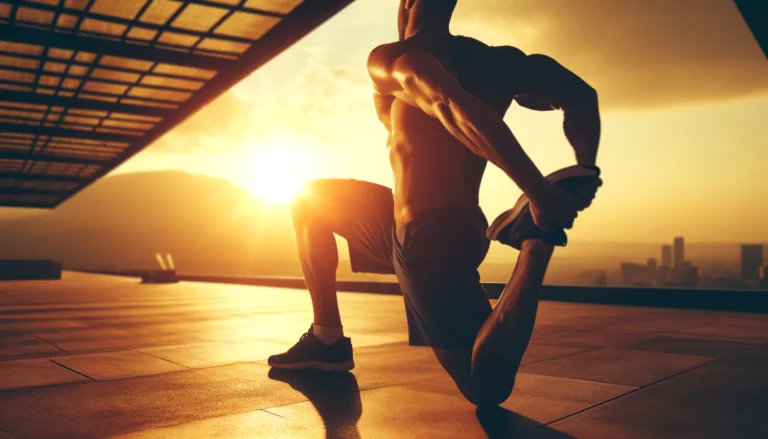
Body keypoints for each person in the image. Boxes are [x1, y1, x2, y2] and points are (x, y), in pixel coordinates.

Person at [269, 0, 602, 406]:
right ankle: (327, 340)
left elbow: (448, 105)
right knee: (310, 200)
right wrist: (586, 168)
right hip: (424, 226)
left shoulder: (394, 60)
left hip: (428, 243)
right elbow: (582, 96)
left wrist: (539, 193)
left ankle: (535, 241)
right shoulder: (501, 62)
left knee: (487, 389)